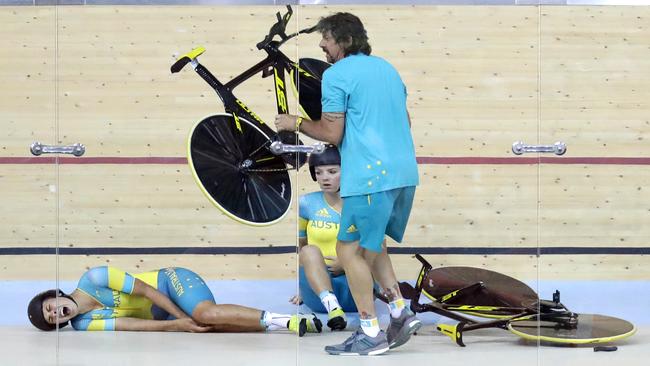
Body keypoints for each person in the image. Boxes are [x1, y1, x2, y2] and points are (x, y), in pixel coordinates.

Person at [275, 12, 421, 355]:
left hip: (369, 177)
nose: (322, 45)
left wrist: (294, 122)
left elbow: (331, 133)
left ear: (345, 40)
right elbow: (406, 120)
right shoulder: (387, 68)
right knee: (373, 246)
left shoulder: (336, 75)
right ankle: (400, 312)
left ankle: (370, 332)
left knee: (348, 250)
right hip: (403, 173)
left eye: (326, 38)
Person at [27, 266, 321, 336]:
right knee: (211, 329)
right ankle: (289, 325)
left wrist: (182, 316)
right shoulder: (82, 324)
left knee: (206, 316)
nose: (54, 313)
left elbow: (147, 291)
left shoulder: (94, 278)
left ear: (55, 296)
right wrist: (177, 325)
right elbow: (131, 325)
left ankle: (289, 319)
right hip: (167, 315)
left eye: (49, 308)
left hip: (170, 283)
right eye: (51, 319)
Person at [290, 145, 355, 331]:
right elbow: (302, 247)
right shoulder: (306, 203)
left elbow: (375, 247)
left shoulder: (360, 204)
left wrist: (347, 263)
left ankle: (334, 304)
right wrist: (304, 286)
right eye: (318, 172)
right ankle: (332, 306)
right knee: (308, 250)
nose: (325, 177)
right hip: (318, 295)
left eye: (332, 171)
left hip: (354, 287)